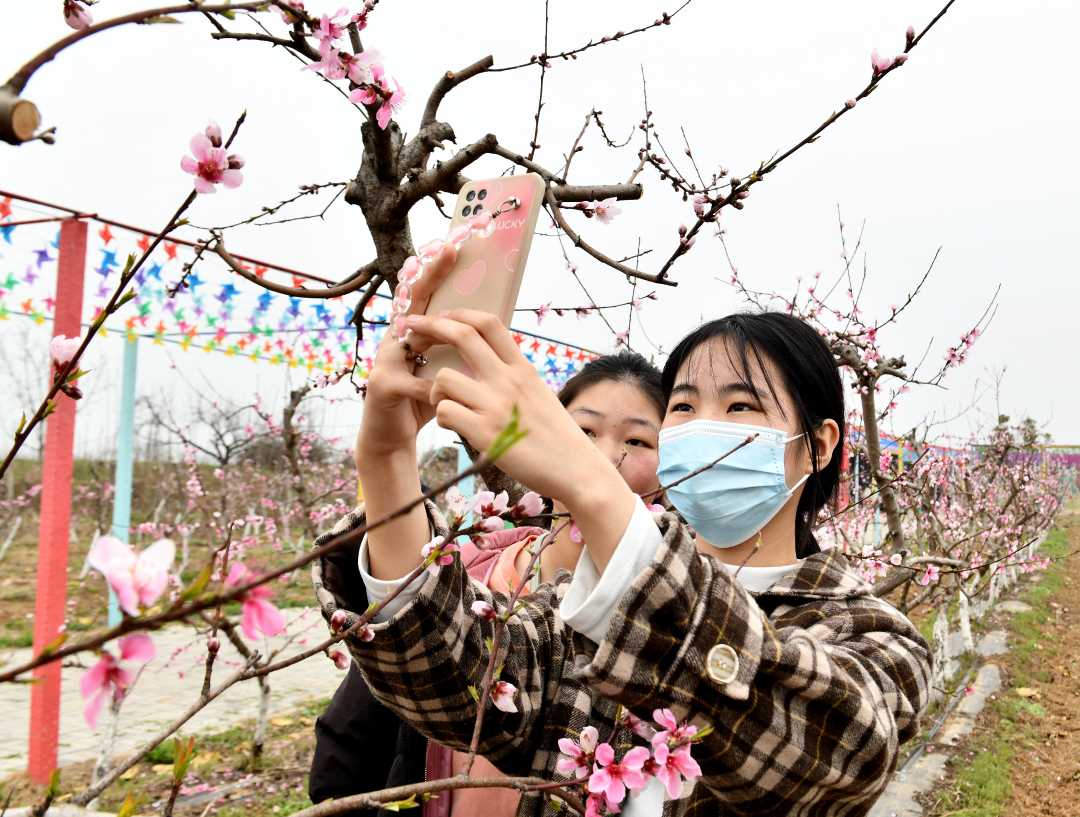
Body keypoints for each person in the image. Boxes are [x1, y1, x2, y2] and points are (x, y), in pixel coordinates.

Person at [312, 245, 931, 816]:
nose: (700, 427)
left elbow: (834, 756)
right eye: (684, 407)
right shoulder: (577, 609)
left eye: (740, 407)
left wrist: (590, 484)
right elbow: (451, 680)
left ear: (818, 445)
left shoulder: (869, 634)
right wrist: (389, 460)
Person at [309, 350, 667, 817]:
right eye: (582, 432)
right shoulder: (469, 574)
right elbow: (352, 747)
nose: (603, 458)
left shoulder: (675, 609)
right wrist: (385, 458)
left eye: (638, 441)